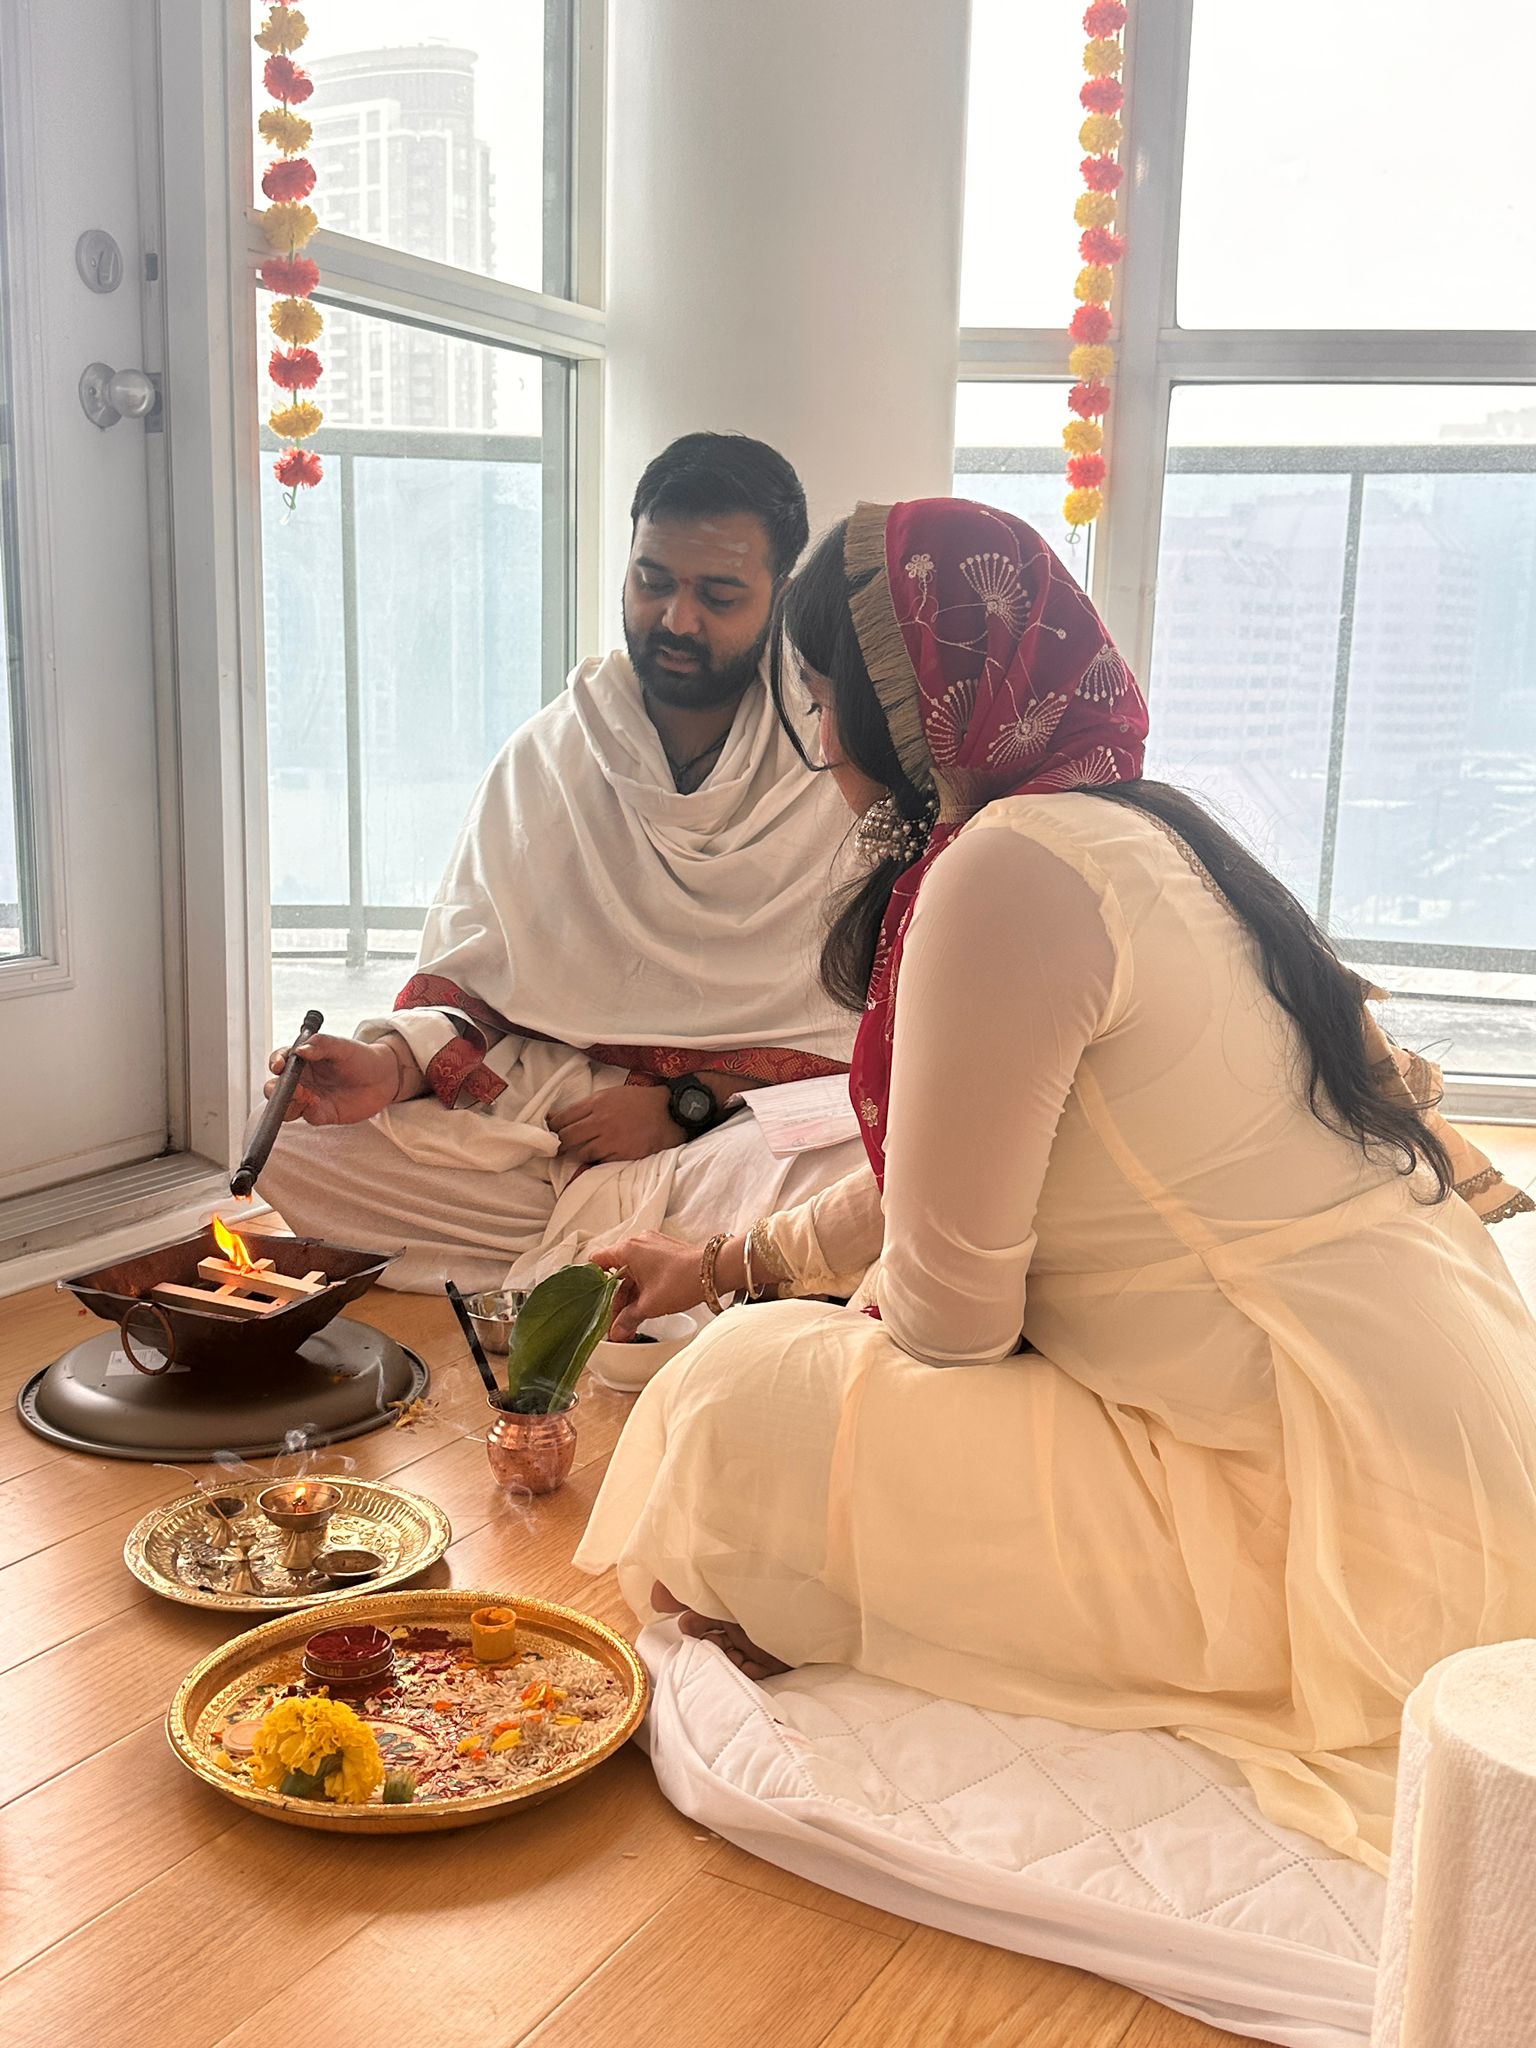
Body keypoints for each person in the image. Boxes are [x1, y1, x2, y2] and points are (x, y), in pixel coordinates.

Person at [577, 496, 1536, 1873]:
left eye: (825, 697)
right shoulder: (1142, 830)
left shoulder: (1007, 867)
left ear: (913, 703)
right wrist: (725, 1266)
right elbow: (960, 1185)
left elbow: (953, 1315)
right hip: (1462, 1469)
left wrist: (781, 1342)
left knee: (731, 1398)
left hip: (1327, 1529)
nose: (821, 745)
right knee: (761, 1347)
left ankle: (819, 1578)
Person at [259, 434, 866, 1291]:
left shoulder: (832, 758)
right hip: (558, 1122)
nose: (677, 620)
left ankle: (639, 1255)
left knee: (872, 1158)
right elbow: (480, 989)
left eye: (719, 595)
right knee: (291, 1134)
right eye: (653, 581)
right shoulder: (551, 754)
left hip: (735, 1126)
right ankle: (676, 1263)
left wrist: (681, 1105)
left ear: (780, 596)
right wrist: (390, 1069)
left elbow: (861, 1031)